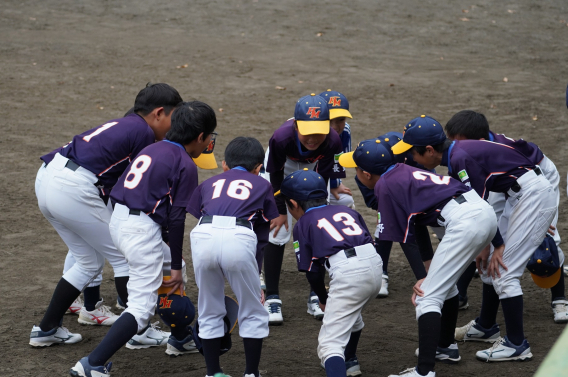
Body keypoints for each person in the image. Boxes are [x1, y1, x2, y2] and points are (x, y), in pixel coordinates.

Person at [69, 101, 216, 377]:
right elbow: (175, 219)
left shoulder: (152, 147)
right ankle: (92, 364)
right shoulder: (185, 162)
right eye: (209, 137)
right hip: (140, 230)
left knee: (176, 271)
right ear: (200, 138)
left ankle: (181, 337)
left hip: (119, 219)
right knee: (142, 306)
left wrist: (174, 264)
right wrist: (174, 262)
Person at [393, 115, 556, 362]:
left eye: (413, 154)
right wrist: (490, 244)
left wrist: (491, 243)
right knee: (493, 265)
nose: (411, 160)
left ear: (429, 150)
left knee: (505, 272)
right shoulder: (458, 153)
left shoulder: (460, 157)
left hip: (531, 196)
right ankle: (486, 327)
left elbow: (481, 207)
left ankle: (517, 345)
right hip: (521, 195)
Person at [30, 83, 183, 348]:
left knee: (88, 261)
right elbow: (134, 188)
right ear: (158, 113)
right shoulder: (143, 132)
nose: (175, 127)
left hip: (48, 178)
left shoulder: (125, 124)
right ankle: (139, 331)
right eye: (174, 117)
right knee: (124, 255)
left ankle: (46, 329)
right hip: (72, 188)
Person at [340, 133, 497, 377]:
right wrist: (426, 270)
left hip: (465, 222)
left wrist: (422, 277)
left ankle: (423, 372)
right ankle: (445, 347)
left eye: (356, 170)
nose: (355, 174)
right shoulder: (401, 170)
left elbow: (406, 239)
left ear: (366, 174)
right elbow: (415, 226)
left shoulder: (385, 186)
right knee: (445, 287)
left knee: (426, 298)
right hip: (480, 213)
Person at [445, 110, 567, 322]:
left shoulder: (504, 147)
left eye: (460, 142)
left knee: (545, 239)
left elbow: (536, 177)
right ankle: (473, 307)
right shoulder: (470, 152)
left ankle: (559, 300)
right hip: (506, 188)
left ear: (479, 140)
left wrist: (539, 216)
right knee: (492, 244)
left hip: (540, 180)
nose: (456, 147)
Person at [186, 137, 279, 377]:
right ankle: (251, 373)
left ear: (225, 164)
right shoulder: (262, 185)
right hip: (240, 235)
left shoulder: (210, 182)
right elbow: (262, 234)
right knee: (252, 310)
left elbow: (197, 212)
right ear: (259, 168)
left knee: (209, 307)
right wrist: (256, 277)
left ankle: (213, 372)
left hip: (202, 234)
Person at [278, 168, 382, 377]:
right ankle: (350, 361)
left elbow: (312, 271)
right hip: (375, 266)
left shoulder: (304, 223)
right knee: (352, 317)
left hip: (348, 271)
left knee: (329, 345)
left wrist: (323, 298)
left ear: (294, 204)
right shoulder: (350, 212)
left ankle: (341, 361)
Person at [262, 93, 346, 324]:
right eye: (307, 131)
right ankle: (272, 297)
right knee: (278, 230)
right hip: (283, 166)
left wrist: (314, 210)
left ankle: (316, 295)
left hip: (314, 168)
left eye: (319, 130)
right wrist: (280, 211)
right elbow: (275, 175)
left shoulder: (332, 140)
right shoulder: (281, 138)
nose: (313, 138)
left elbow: (324, 175)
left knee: (317, 226)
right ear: (296, 125)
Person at [318, 89, 354, 208]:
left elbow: (340, 161)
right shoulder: (309, 133)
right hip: (293, 181)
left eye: (341, 120)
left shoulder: (345, 131)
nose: (334, 127)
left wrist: (334, 183)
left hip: (323, 180)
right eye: (329, 120)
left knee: (346, 201)